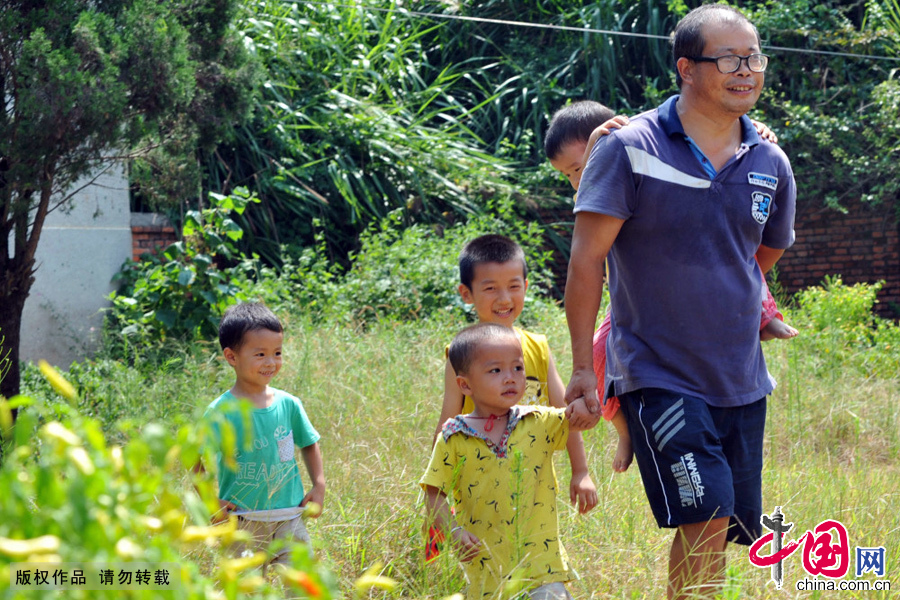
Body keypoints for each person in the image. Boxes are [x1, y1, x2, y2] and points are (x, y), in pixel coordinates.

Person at [563, 5, 797, 599]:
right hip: (657, 372)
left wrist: (720, 286)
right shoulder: (629, 147)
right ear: (687, 68)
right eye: (729, 59)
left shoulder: (770, 161)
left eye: (754, 58)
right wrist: (581, 368)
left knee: (722, 528)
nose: (746, 70)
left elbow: (761, 254)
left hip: (742, 377)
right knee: (705, 516)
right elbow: (587, 260)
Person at [543, 101, 798, 473]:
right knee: (602, 352)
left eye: (580, 168)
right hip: (636, 310)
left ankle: (765, 316)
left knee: (733, 261)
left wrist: (751, 130)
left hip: (707, 305)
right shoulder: (603, 197)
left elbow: (707, 129)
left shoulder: (641, 153)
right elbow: (587, 257)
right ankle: (626, 428)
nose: (577, 180)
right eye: (568, 175)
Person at [422, 323, 593, 600]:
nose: (511, 378)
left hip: (542, 568)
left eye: (517, 368)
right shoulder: (453, 437)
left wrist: (586, 400)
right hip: (488, 575)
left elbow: (580, 420)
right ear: (465, 385)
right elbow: (433, 494)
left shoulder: (538, 421)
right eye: (495, 370)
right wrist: (453, 531)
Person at [432, 234, 598, 513]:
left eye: (513, 286)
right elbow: (446, 424)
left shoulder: (539, 349)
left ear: (526, 287)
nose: (504, 298)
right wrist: (437, 492)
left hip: (535, 487)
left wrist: (580, 471)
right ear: (466, 294)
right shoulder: (460, 355)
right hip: (478, 486)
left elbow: (564, 415)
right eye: (490, 289)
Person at [197, 302, 325, 575]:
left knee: (303, 585)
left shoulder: (289, 404)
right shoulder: (221, 411)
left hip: (289, 518)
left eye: (277, 353)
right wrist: (210, 501)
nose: (271, 362)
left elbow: (309, 443)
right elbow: (195, 460)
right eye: (260, 354)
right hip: (243, 523)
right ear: (231, 357)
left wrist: (319, 484)